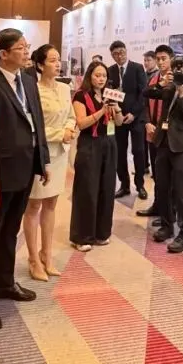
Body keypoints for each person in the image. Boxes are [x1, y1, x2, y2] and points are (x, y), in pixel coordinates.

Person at [0, 29, 48, 331]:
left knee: (11, 231)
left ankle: (4, 283)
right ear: (3, 54)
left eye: (27, 46)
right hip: (0, 172)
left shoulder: (27, 80)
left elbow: (37, 121)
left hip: (26, 167)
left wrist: (42, 160)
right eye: (20, 48)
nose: (27, 52)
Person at [146, 45, 183, 254]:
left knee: (181, 192)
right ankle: (167, 226)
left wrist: (181, 91)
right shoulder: (167, 85)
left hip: (181, 148)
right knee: (162, 187)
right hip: (162, 143)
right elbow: (147, 93)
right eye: (177, 68)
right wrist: (163, 83)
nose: (180, 72)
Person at [26, 44, 74, 280]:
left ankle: (47, 254)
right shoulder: (32, 90)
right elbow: (32, 125)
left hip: (60, 153)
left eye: (58, 60)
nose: (58, 64)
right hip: (40, 154)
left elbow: (71, 116)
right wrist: (58, 134)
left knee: (52, 204)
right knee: (33, 206)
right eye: (52, 60)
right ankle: (33, 259)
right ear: (40, 64)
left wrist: (69, 129)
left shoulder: (65, 88)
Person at [70, 61, 120, 252]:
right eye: (97, 75)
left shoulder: (109, 95)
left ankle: (101, 233)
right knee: (87, 190)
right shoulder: (81, 95)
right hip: (89, 145)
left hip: (109, 143)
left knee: (106, 189)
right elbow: (81, 123)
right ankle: (82, 237)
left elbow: (119, 122)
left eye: (104, 76)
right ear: (90, 76)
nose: (101, 79)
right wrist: (101, 111)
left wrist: (117, 108)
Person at [106, 40, 149, 200]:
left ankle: (140, 185)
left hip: (135, 118)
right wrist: (117, 111)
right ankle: (124, 185)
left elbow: (143, 93)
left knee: (138, 151)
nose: (119, 56)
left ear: (126, 51)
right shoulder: (110, 71)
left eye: (121, 52)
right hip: (118, 118)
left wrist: (133, 114)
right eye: (116, 54)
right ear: (112, 55)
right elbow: (108, 93)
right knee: (119, 152)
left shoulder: (137, 68)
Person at [136, 49, 167, 222]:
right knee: (156, 174)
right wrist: (147, 122)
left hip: (167, 136)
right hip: (152, 133)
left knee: (166, 176)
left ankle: (167, 212)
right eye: (158, 59)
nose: (160, 62)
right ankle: (157, 205)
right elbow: (145, 103)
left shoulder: (176, 82)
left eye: (164, 59)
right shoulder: (153, 80)